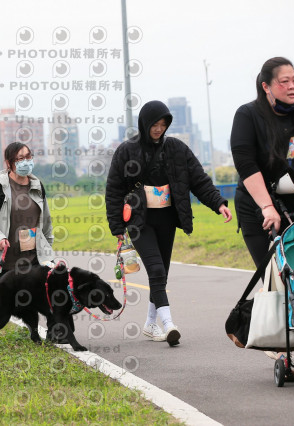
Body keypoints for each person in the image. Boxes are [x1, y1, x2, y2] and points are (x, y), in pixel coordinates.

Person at [106, 100, 232, 346]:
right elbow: (113, 190)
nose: (158, 129)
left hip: (167, 219)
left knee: (161, 275)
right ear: (144, 124)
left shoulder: (176, 148)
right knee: (156, 270)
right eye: (154, 124)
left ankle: (150, 324)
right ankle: (168, 323)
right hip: (139, 221)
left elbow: (199, 179)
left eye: (163, 124)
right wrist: (117, 227)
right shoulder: (126, 150)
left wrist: (219, 203)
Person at [230, 57, 294, 269]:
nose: (291, 86)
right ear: (266, 86)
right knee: (273, 274)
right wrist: (267, 206)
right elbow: (246, 165)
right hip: (257, 204)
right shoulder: (247, 115)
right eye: (284, 81)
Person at [0, 142, 54, 277]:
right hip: (6, 266)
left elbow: (46, 221)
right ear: (9, 163)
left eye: (28, 157)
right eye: (20, 159)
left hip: (35, 263)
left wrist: (47, 252)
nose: (26, 162)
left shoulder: (37, 186)